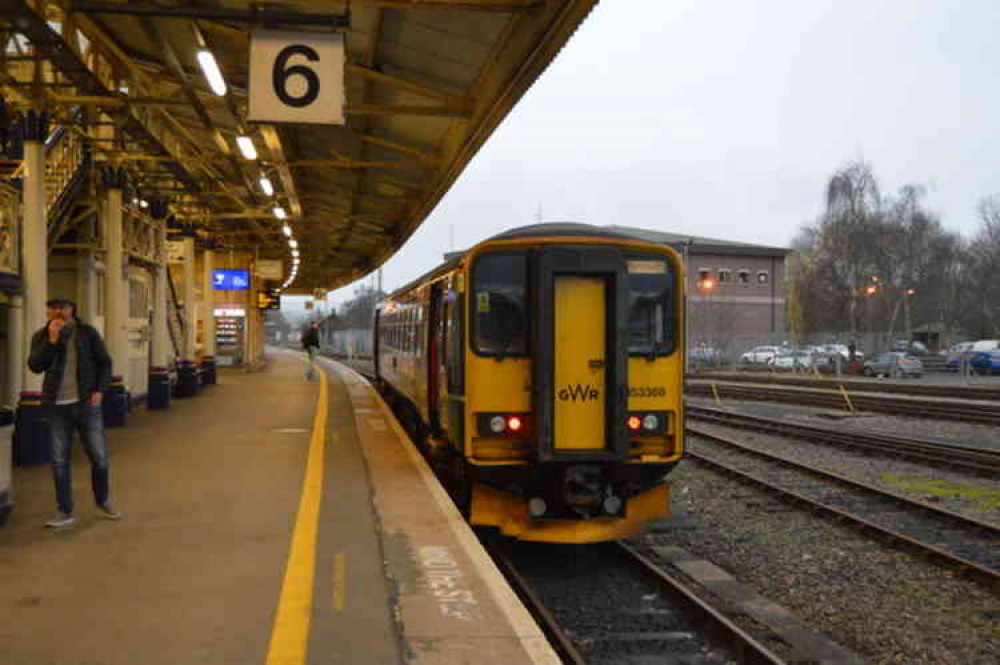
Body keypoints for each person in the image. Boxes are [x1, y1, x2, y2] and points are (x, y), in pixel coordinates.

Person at [28, 297, 120, 528]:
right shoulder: (41, 336)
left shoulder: (87, 333)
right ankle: (65, 511)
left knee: (99, 457)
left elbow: (105, 362)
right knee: (60, 461)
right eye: (54, 308)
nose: (59, 312)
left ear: (72, 310)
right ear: (48, 312)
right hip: (56, 406)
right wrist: (51, 340)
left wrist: (100, 389)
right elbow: (35, 366)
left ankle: (103, 500)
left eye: (64, 308)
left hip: (86, 403)